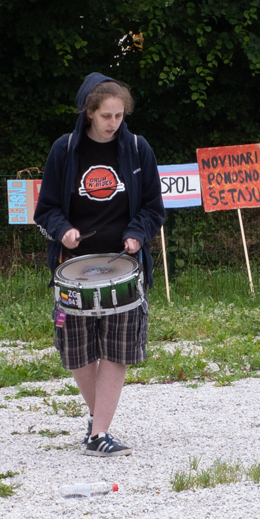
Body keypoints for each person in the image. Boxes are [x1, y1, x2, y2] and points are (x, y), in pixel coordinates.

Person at [32, 72, 163, 455]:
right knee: (77, 351)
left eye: (119, 116)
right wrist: (64, 231)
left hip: (124, 266)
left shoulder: (137, 149)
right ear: (89, 112)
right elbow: (46, 209)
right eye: (107, 116)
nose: (114, 123)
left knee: (117, 349)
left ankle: (98, 433)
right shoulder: (65, 150)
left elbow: (153, 207)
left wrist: (137, 233)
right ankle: (98, 422)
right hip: (74, 268)